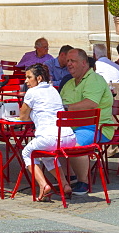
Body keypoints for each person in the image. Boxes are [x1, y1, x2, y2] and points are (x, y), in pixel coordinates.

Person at [60, 48, 115, 196]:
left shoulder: (94, 79)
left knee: (74, 144)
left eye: (73, 61)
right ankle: (70, 176)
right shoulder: (69, 83)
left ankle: (83, 182)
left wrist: (66, 108)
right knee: (52, 140)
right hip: (72, 126)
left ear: (84, 63)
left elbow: (91, 103)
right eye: (68, 61)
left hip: (96, 127)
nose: (69, 64)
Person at [20, 63, 76, 201]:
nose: (26, 81)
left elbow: (23, 117)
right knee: (46, 154)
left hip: (51, 137)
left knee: (27, 152)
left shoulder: (32, 92)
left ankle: (44, 185)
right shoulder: (53, 89)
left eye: (29, 77)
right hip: (69, 136)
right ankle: (64, 185)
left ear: (38, 78)